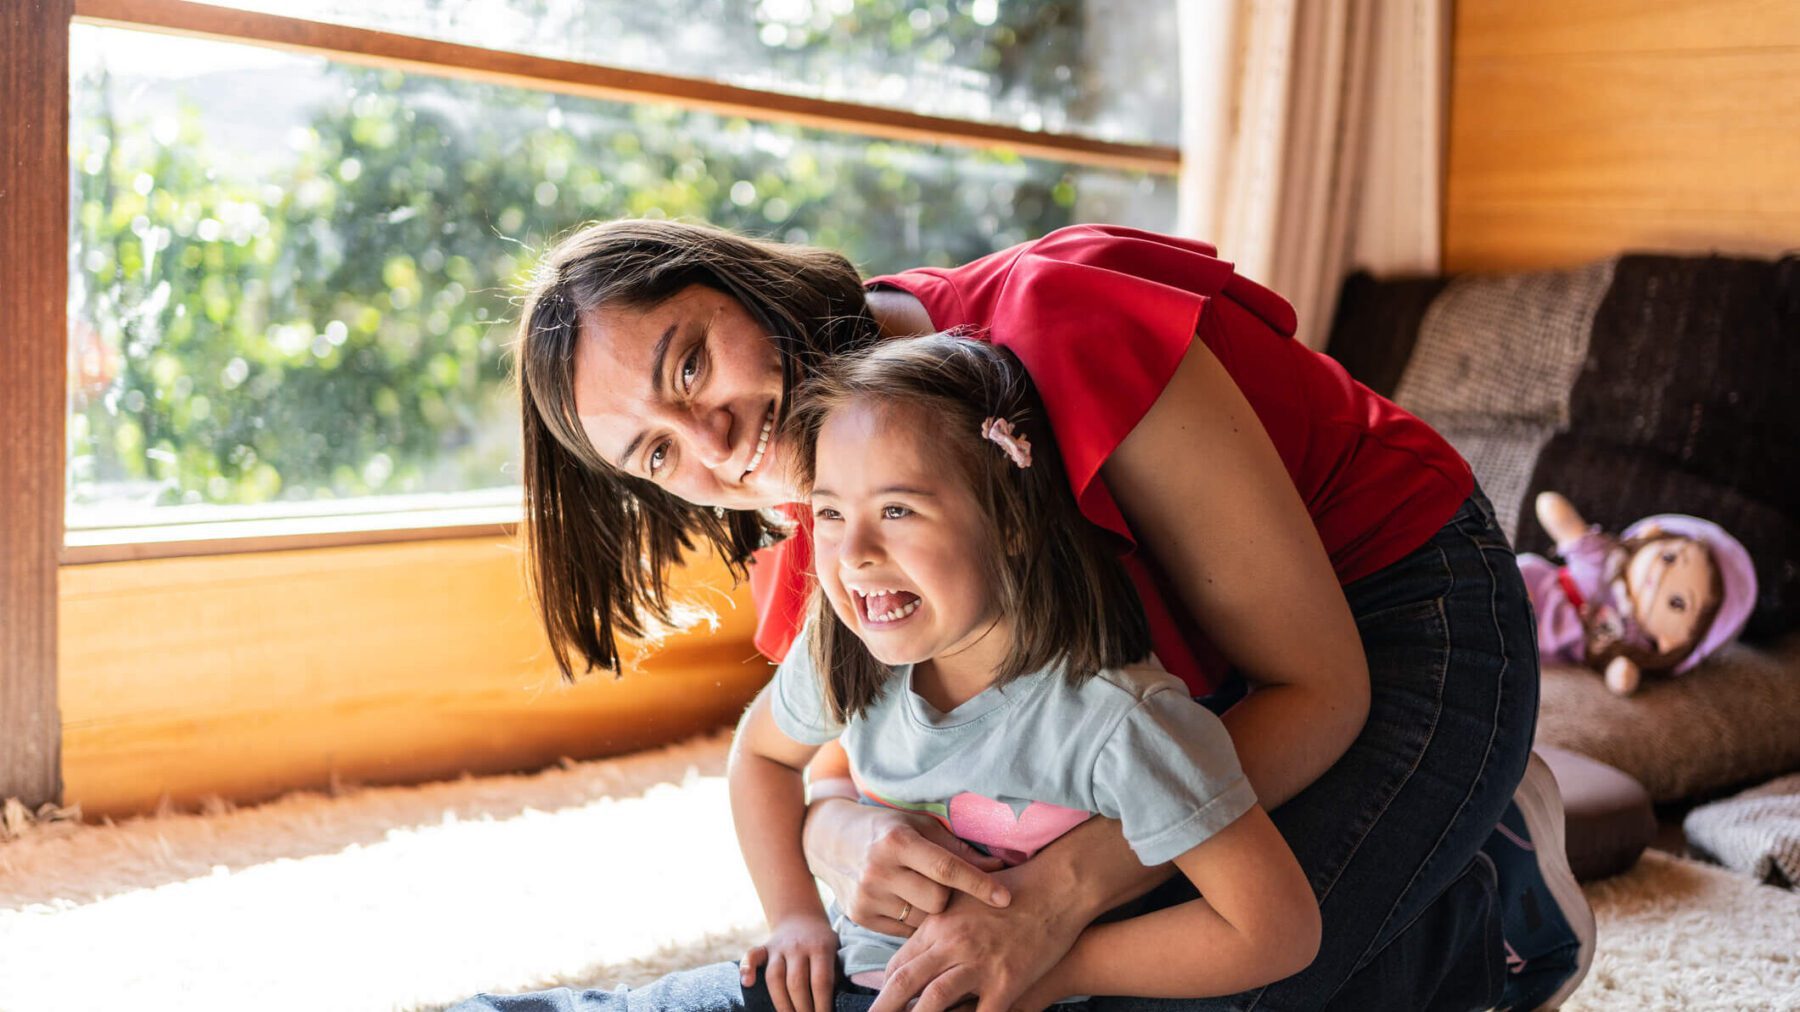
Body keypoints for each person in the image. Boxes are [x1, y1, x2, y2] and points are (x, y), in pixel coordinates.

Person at [507, 220, 1594, 1010]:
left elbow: (1317, 689)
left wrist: (1048, 902)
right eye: (657, 452)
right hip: (1181, 721)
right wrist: (852, 840)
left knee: (1184, 976)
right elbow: (838, 758)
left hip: (1394, 618)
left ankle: (1491, 900)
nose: (713, 443)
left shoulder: (1059, 327)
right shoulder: (817, 535)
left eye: (689, 362)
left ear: (745, 283)